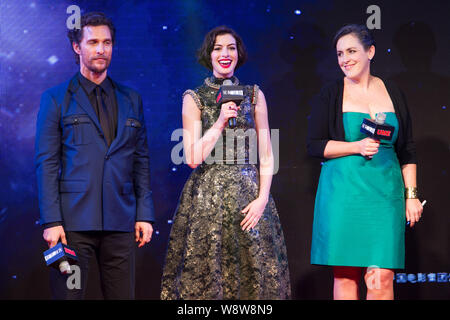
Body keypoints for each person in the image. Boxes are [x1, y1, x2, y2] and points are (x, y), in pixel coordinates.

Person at [161, 26, 290, 299]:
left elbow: (266, 153)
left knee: (252, 274)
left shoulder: (254, 95)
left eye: (231, 47)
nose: (225, 53)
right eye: (218, 48)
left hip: (249, 199)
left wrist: (262, 199)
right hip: (207, 200)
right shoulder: (193, 98)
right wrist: (219, 121)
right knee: (208, 275)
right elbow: (193, 158)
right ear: (209, 55)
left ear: (238, 53)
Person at [35, 12, 155, 299]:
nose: (101, 49)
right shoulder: (55, 98)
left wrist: (145, 214)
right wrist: (51, 221)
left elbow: (140, 161)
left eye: (107, 42)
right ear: (77, 47)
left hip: (121, 223)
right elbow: (46, 163)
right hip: (72, 226)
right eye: (93, 42)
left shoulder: (131, 99)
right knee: (69, 297)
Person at [307, 24, 424, 300]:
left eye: (351, 51)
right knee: (346, 276)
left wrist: (411, 196)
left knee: (381, 277)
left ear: (370, 51)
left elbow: (407, 149)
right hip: (344, 193)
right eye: (339, 54)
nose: (345, 59)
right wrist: (356, 146)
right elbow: (314, 145)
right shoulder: (331, 93)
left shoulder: (392, 91)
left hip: (385, 195)